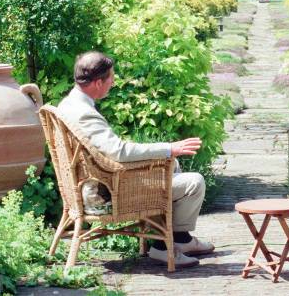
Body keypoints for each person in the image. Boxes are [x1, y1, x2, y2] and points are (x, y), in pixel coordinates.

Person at [58, 51, 215, 268]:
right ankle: (165, 247)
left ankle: (180, 240)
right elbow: (119, 152)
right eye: (110, 79)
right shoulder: (85, 113)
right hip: (105, 192)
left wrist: (167, 154)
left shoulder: (68, 104)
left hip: (91, 182)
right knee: (194, 182)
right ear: (97, 82)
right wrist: (170, 148)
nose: (113, 83)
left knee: (173, 165)